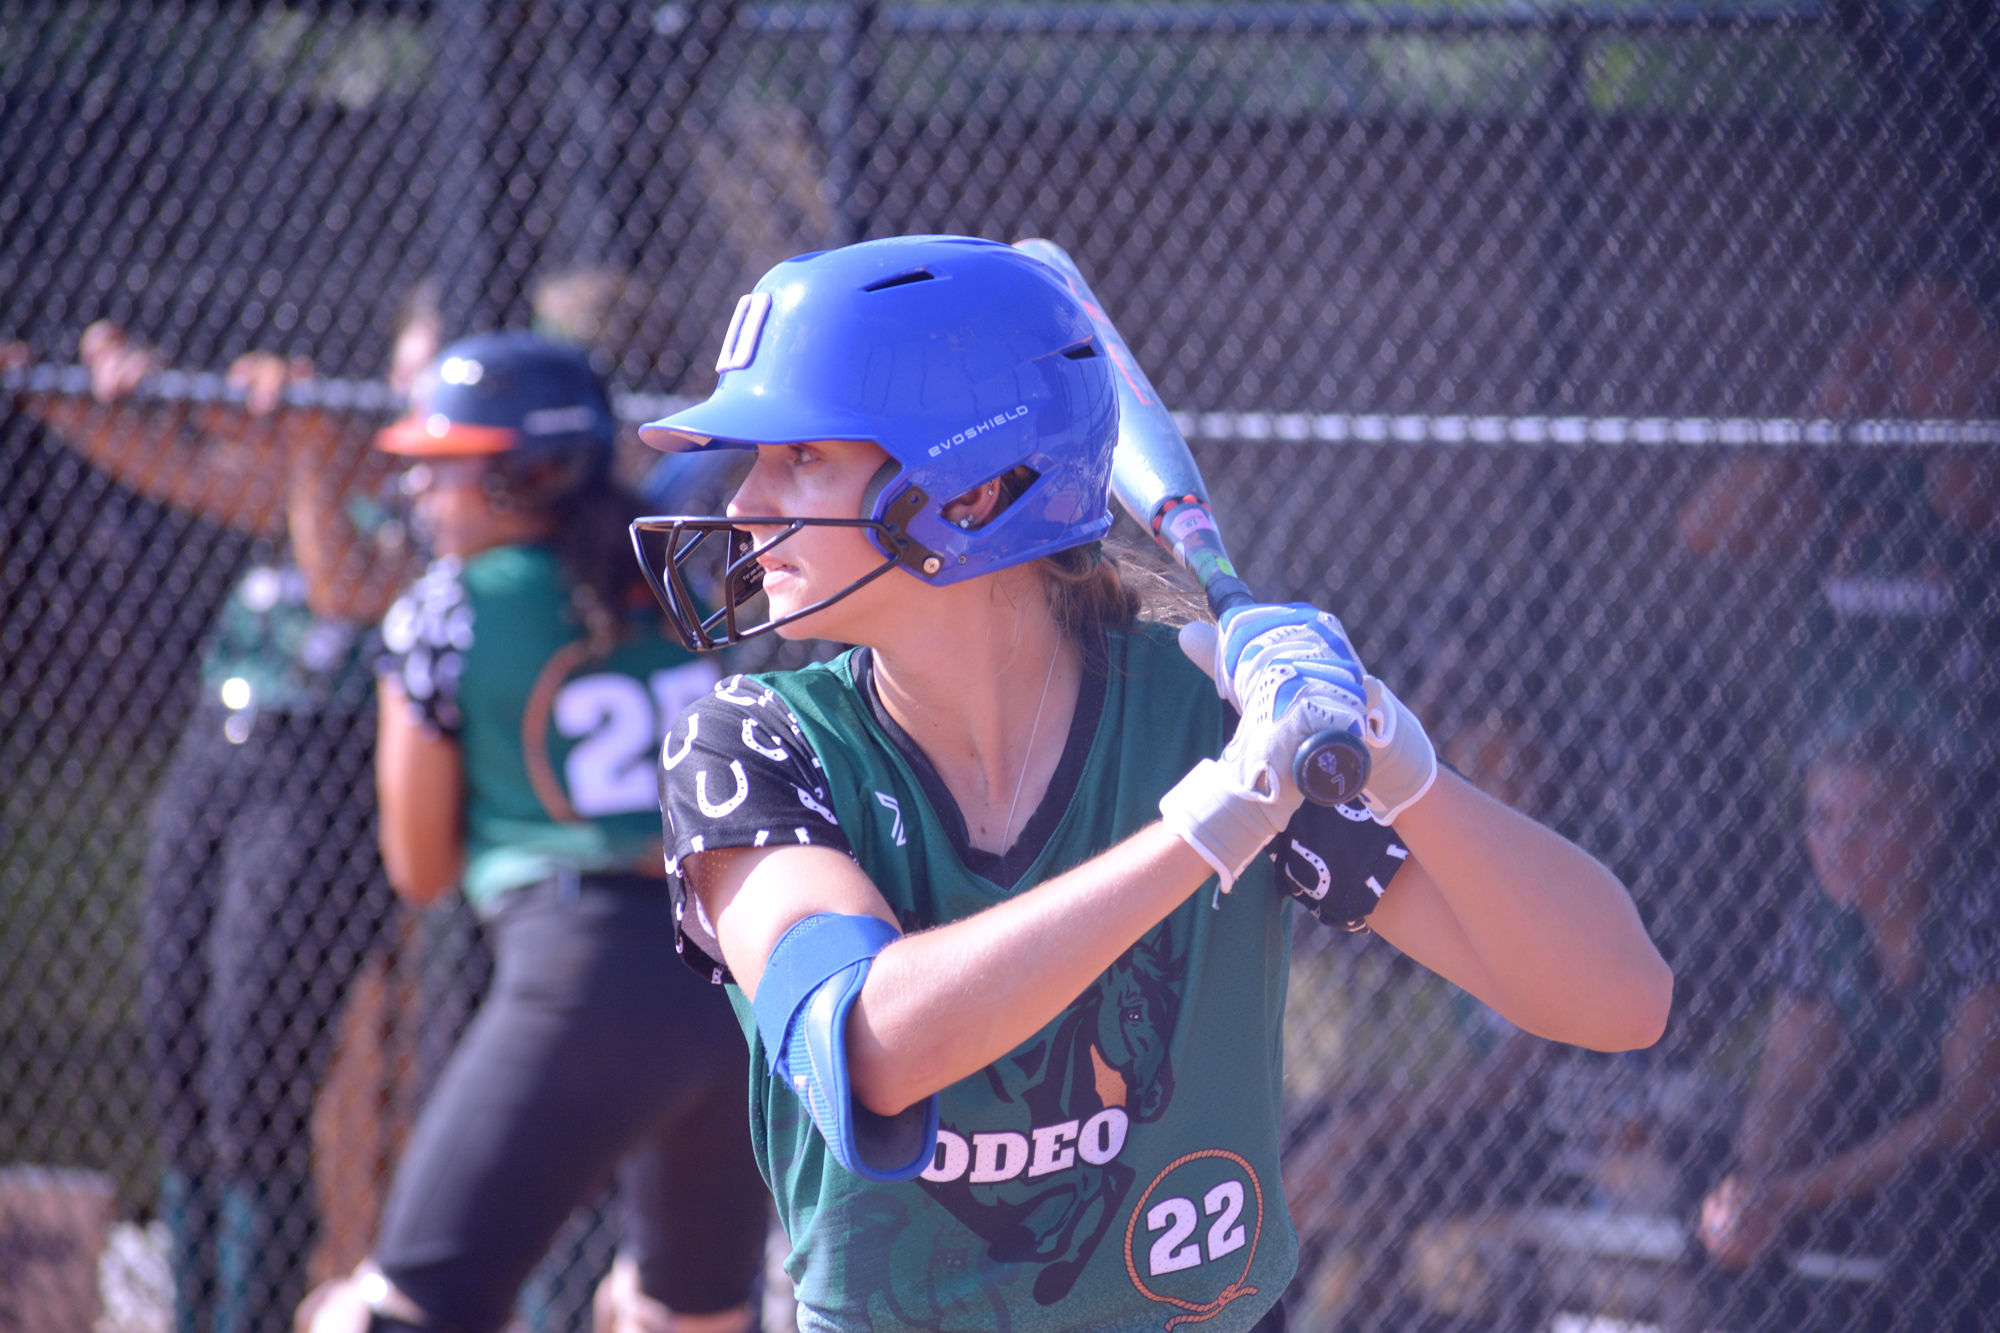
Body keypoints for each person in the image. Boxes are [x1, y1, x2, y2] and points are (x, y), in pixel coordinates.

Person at [630, 234, 1672, 1333]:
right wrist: (1208, 823)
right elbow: (872, 1045)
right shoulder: (752, 743)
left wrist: (1397, 755)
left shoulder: (1196, 721)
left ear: (969, 492)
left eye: (796, 459)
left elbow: (1615, 1000)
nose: (743, 506)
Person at [317, 332, 767, 1333]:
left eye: (450, 469)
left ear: (534, 471)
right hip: (741, 971)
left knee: (395, 1310)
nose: (423, 495)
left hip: (582, 971)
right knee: (689, 1315)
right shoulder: (692, 577)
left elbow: (421, 869)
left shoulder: (446, 609)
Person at [17, 308, 427, 1333]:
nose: (411, 394)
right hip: (217, 750)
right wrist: (65, 395)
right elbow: (186, 471)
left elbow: (340, 587)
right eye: (407, 367)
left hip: (319, 777)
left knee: (255, 1078)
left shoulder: (459, 510)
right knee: (181, 1058)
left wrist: (305, 445)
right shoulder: (344, 463)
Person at [1696, 726, 2000, 1332]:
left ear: (1927, 830)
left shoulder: (1976, 907)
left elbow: (1969, 1113)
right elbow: (1787, 1082)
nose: (1839, 844)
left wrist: (1796, 1191)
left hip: (1960, 1169)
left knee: (1934, 1198)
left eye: (1870, 821)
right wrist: (1754, 1187)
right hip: (1867, 1151)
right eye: (1823, 819)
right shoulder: (1820, 919)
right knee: (1709, 1168)